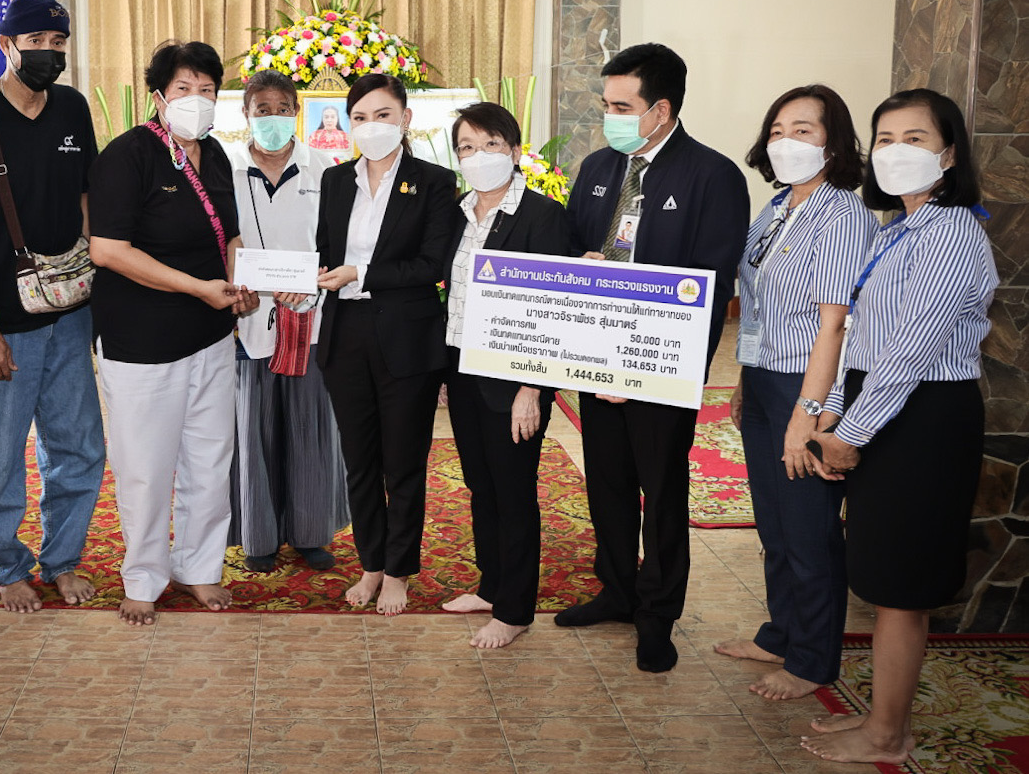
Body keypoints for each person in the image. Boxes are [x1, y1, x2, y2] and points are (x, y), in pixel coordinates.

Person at [801, 89, 996, 766]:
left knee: (902, 584)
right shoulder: (895, 232)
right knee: (886, 576)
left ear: (948, 155)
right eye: (884, 138)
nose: (894, 151)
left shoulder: (952, 233)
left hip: (924, 417)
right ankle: (885, 718)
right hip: (882, 406)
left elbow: (911, 350)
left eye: (914, 139)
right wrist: (831, 411)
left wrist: (848, 433)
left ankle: (887, 733)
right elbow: (864, 338)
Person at [559, 43, 748, 672]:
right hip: (595, 357)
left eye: (621, 106)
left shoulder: (712, 176)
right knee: (607, 482)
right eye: (605, 104)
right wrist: (580, 267)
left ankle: (657, 614)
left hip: (661, 367)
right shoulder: (597, 167)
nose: (608, 117)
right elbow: (571, 250)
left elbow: (713, 285)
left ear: (661, 109)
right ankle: (616, 591)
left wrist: (657, 368)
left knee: (661, 491)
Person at [0, 0, 105, 612]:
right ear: (7, 44)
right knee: (0, 455)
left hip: (71, 311)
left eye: (58, 42)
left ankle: (62, 560)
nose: (48, 52)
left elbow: (88, 203)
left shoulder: (72, 107)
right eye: (36, 41)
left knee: (78, 447)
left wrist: (97, 289)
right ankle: (10, 566)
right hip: (7, 322)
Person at [713, 85, 876, 698]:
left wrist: (808, 413)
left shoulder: (842, 215)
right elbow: (756, 304)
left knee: (809, 530)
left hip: (808, 383)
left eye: (803, 130)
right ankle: (780, 633)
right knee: (774, 523)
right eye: (778, 129)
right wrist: (744, 379)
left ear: (834, 143)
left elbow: (835, 324)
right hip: (764, 378)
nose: (786, 141)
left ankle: (812, 660)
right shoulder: (778, 205)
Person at [89, 40, 258, 625]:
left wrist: (238, 284)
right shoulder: (128, 155)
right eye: (184, 89)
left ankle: (200, 568)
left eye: (207, 90)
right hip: (142, 341)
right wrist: (196, 288)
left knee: (209, 460)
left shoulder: (216, 156)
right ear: (158, 96)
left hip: (210, 336)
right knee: (145, 467)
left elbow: (229, 236)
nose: (197, 99)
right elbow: (108, 250)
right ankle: (142, 577)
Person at [314, 73, 456, 616]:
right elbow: (325, 252)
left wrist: (361, 273)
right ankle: (371, 564)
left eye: (382, 115)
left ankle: (399, 570)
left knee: (404, 464)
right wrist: (307, 280)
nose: (370, 126)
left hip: (406, 338)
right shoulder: (335, 181)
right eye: (360, 118)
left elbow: (432, 264)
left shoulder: (435, 182)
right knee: (360, 462)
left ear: (405, 119)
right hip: (345, 335)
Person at [441, 102, 573, 648]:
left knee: (514, 491)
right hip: (462, 368)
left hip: (514, 377)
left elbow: (554, 309)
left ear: (515, 151)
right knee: (481, 485)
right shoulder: (457, 214)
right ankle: (492, 585)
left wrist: (532, 388)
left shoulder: (543, 216)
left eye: (491, 144)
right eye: (467, 147)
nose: (479, 156)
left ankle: (515, 609)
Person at [227, 70, 348, 573]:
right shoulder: (225, 170)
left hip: (309, 319)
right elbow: (217, 237)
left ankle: (310, 533)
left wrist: (315, 281)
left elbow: (341, 241)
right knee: (253, 430)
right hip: (248, 320)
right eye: (262, 109)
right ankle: (259, 536)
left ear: (297, 112)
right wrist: (231, 283)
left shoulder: (327, 170)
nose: (272, 118)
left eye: (282, 108)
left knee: (309, 427)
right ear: (246, 114)